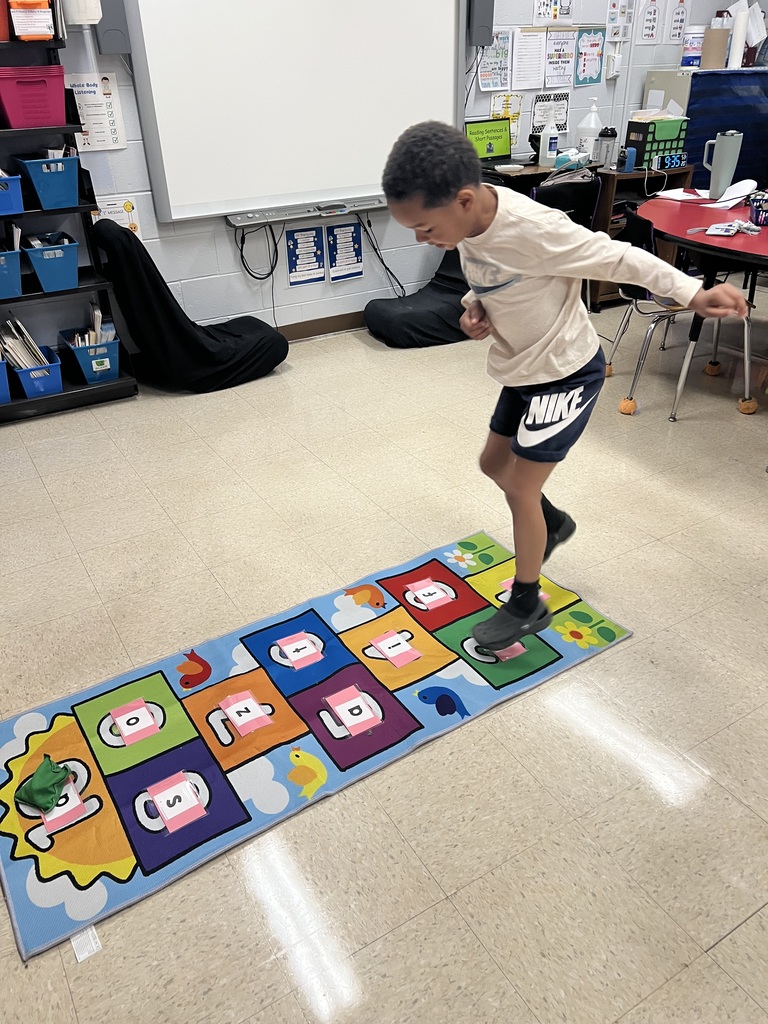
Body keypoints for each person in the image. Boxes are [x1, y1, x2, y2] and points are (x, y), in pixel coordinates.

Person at [382, 121, 747, 653]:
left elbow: (619, 256)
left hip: (565, 371)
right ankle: (549, 525)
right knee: (493, 465)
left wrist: (692, 292)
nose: (420, 237)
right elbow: (488, 280)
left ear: (463, 200)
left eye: (422, 227)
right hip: (523, 367)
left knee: (520, 486)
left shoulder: (533, 228)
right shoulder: (467, 223)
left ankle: (528, 602)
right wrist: (473, 309)